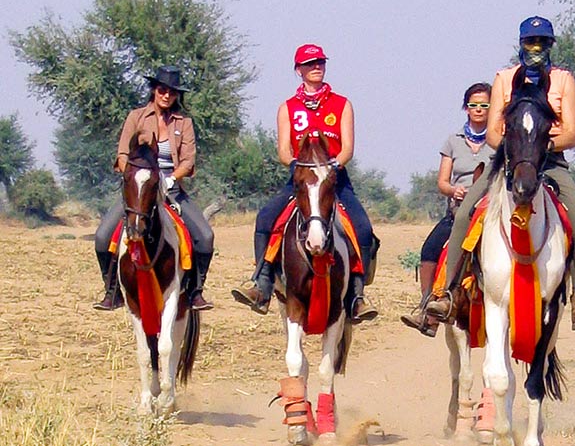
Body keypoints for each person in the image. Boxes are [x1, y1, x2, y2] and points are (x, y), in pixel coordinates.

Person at [425, 16, 575, 331]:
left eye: (542, 42)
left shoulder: (564, 80)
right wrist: (519, 149)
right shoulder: (503, 79)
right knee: (465, 214)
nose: (536, 48)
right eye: (530, 42)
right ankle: (447, 293)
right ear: (521, 44)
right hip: (508, 161)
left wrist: (538, 147)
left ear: (550, 45)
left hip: (550, 162)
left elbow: (572, 134)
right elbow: (493, 135)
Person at [231, 44, 378, 322]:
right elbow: (284, 151)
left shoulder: (342, 104)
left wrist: (332, 165)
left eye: (320, 62)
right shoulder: (287, 108)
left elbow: (347, 148)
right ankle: (261, 282)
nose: (317, 67)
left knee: (362, 227)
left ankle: (357, 295)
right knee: (265, 218)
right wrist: (299, 167)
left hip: (334, 179)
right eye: (310, 64)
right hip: (300, 178)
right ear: (298, 70)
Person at [93, 65, 215, 311]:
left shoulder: (185, 123)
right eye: (162, 90)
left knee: (205, 237)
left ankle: (194, 291)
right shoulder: (136, 117)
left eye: (172, 92)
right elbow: (122, 155)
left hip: (171, 189)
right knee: (102, 237)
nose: (167, 95)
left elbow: (189, 160)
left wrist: (169, 179)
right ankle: (112, 290)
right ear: (153, 90)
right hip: (139, 189)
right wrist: (138, 176)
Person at [400, 82, 494, 337]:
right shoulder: (453, 141)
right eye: (473, 105)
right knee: (430, 249)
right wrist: (454, 190)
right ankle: (427, 309)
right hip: (458, 211)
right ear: (466, 108)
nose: (478, 109)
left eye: (484, 105)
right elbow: (442, 182)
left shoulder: (499, 141)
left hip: (488, 212)